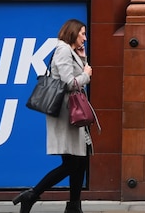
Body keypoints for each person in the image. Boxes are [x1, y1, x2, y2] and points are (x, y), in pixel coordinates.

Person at [14, 18, 93, 213]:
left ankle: (74, 205)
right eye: (82, 33)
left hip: (72, 112)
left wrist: (82, 60)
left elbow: (73, 74)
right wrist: (87, 75)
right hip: (67, 113)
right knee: (73, 162)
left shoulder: (71, 51)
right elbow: (69, 83)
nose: (85, 37)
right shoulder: (63, 50)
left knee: (79, 160)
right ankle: (32, 194)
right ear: (73, 33)